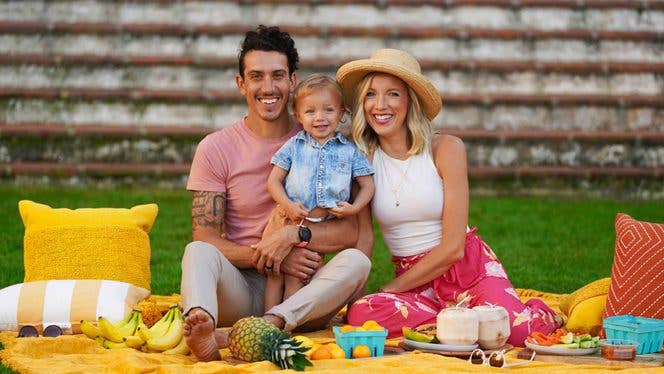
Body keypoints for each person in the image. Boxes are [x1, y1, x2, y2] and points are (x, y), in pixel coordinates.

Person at [336, 48, 560, 346]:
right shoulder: (361, 160)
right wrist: (361, 296)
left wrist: (391, 286)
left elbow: (454, 248)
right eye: (371, 94)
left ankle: (535, 316)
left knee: (517, 335)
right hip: (416, 281)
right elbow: (364, 239)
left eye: (392, 94)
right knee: (363, 314)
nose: (380, 105)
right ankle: (463, 323)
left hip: (467, 270)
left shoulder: (446, 149)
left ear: (410, 102)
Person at [180, 25, 372, 362]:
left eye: (277, 75)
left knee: (357, 261)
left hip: (303, 290)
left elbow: (354, 232)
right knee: (197, 251)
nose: (267, 88)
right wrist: (268, 253)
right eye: (256, 76)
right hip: (240, 285)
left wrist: (295, 236)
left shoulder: (323, 137)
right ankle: (203, 327)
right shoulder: (215, 148)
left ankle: (270, 324)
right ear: (241, 83)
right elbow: (206, 236)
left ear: (293, 81)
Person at [262, 74, 375, 312]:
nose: (320, 118)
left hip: (321, 226)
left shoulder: (349, 151)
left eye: (328, 110)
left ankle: (282, 323)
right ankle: (264, 319)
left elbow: (368, 185)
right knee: (275, 273)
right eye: (311, 111)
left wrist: (354, 208)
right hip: (286, 217)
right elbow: (274, 181)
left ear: (342, 112)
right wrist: (288, 205)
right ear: (298, 116)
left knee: (299, 277)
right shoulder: (294, 146)